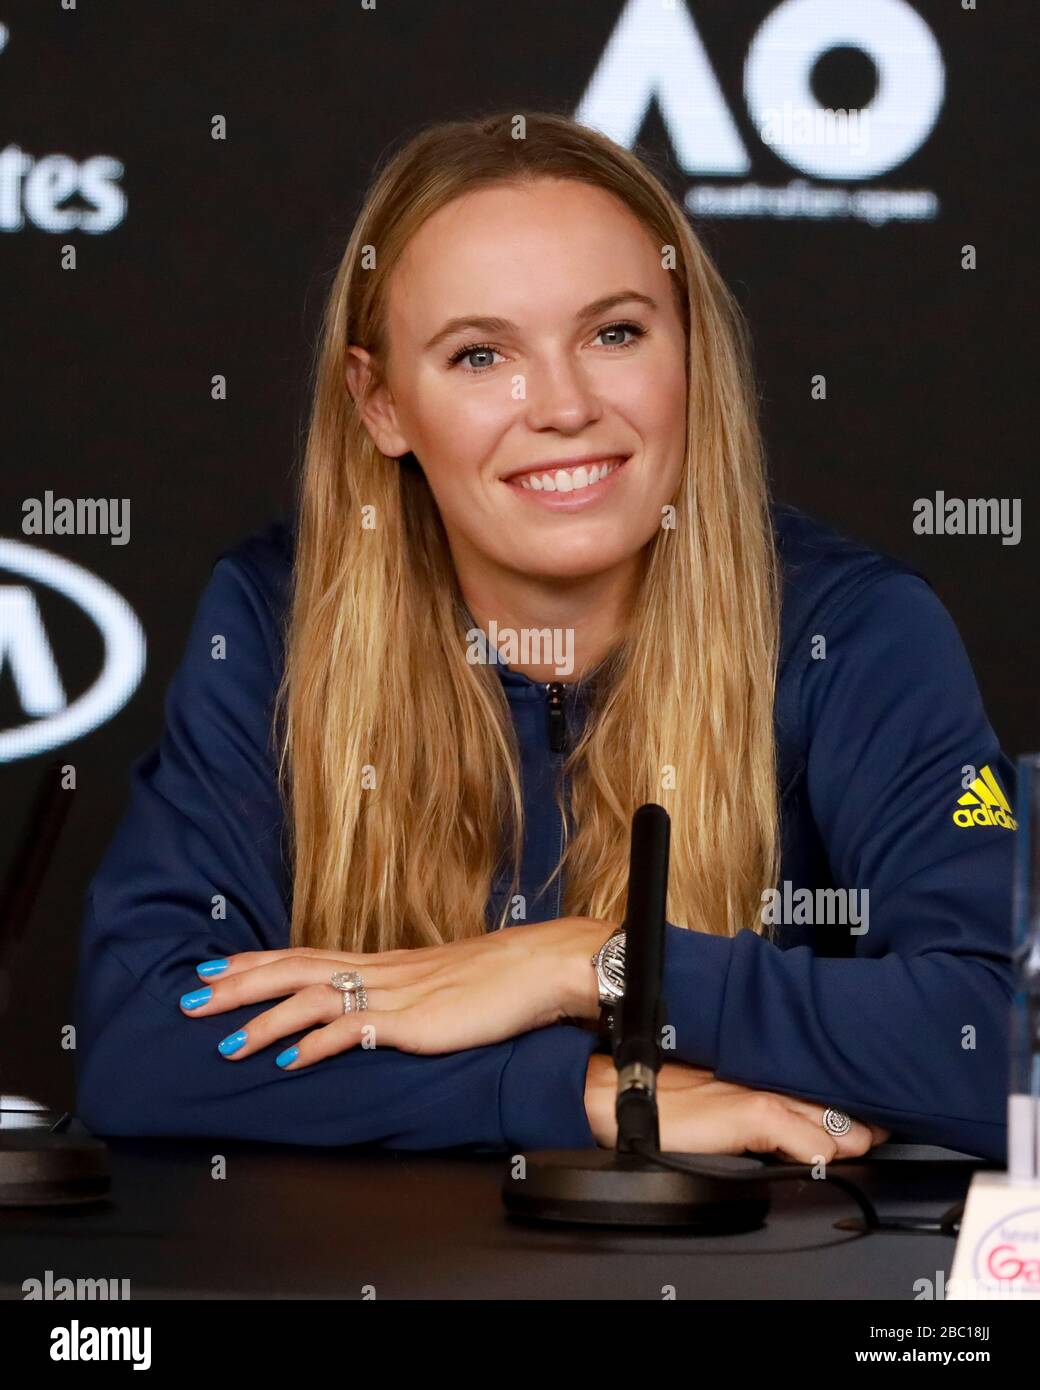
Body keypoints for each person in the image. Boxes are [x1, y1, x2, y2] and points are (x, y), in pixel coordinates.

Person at [73, 112, 1015, 1164]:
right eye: (480, 355)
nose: (561, 405)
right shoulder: (273, 618)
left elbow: (997, 1047)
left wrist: (590, 967)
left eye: (614, 333)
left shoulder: (853, 633)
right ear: (380, 404)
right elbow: (142, 1043)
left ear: (691, 352)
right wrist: (580, 1091)